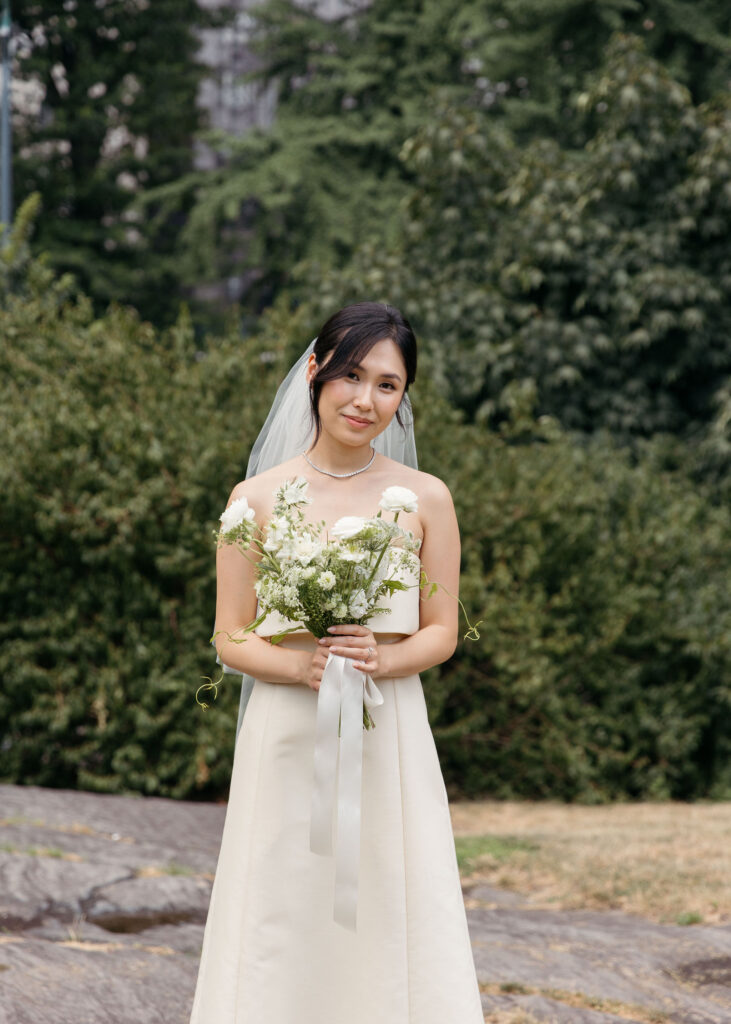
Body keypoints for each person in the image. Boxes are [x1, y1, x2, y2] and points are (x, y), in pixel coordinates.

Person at [189, 301, 484, 1023]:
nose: (366, 400)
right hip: (286, 729)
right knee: (282, 894)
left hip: (389, 728)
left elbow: (440, 629)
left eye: (388, 385)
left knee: (387, 887)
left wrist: (379, 662)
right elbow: (229, 635)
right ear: (315, 371)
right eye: (352, 375)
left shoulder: (425, 498)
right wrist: (300, 669)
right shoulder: (253, 499)